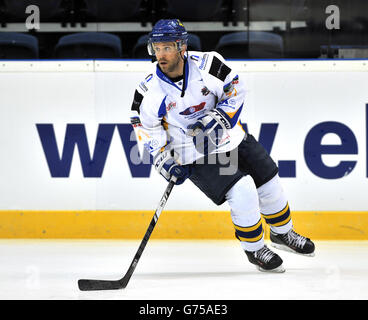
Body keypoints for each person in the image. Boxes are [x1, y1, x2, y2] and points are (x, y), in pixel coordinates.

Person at [130, 19, 315, 273]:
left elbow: (235, 88)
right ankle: (255, 249)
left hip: (230, 136)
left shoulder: (208, 65)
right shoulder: (150, 90)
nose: (161, 55)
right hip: (193, 152)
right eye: (157, 48)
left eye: (167, 48)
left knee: (269, 180)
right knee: (243, 189)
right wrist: (162, 158)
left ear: (182, 47)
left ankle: (282, 233)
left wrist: (219, 117)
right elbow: (144, 125)